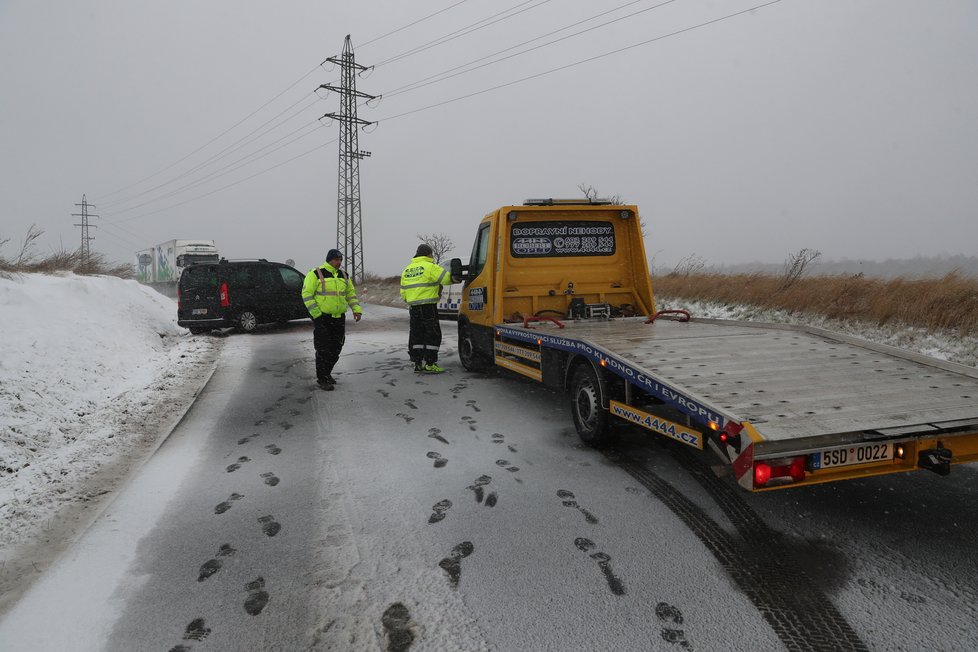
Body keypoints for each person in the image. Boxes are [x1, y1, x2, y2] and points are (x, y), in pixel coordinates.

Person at [302, 249, 362, 390]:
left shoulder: (344, 275)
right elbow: (306, 294)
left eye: (340, 260)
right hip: (322, 318)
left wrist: (356, 310)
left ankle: (327, 373)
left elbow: (350, 294)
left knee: (336, 347)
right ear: (329, 260)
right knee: (323, 349)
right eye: (336, 259)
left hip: (339, 318)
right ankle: (322, 378)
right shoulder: (316, 273)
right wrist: (316, 315)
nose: (339, 262)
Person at [400, 243, 455, 373]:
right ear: (429, 254)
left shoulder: (407, 270)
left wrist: (412, 301)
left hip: (413, 308)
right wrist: (456, 277)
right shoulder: (430, 267)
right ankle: (430, 363)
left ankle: (417, 362)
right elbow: (447, 279)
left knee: (416, 334)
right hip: (428, 308)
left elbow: (403, 292)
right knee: (432, 334)